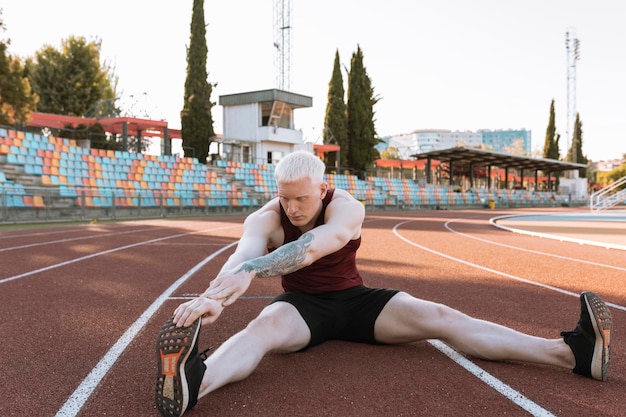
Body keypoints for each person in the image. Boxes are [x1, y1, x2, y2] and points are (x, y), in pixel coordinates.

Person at [155, 150, 612, 417]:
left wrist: (252, 271)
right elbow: (244, 253)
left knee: (440, 316)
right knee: (262, 327)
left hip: (357, 302)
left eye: (301, 199)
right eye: (284, 198)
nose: (292, 208)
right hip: (303, 307)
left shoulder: (347, 208)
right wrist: (218, 292)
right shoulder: (266, 216)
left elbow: (316, 245)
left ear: (323, 187)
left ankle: (572, 353)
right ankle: (195, 383)